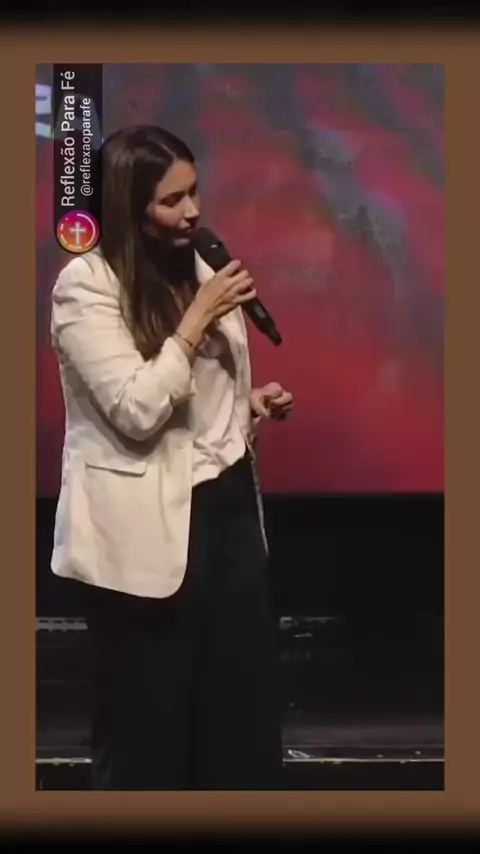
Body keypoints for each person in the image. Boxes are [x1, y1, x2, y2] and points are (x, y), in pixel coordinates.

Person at [50, 125, 294, 791]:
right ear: (129, 207)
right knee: (147, 740)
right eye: (171, 200)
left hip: (227, 515)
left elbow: (195, 405)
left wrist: (245, 407)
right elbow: (136, 409)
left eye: (194, 192)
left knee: (240, 731)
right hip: (142, 535)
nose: (193, 212)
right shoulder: (86, 287)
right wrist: (195, 321)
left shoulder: (201, 266)